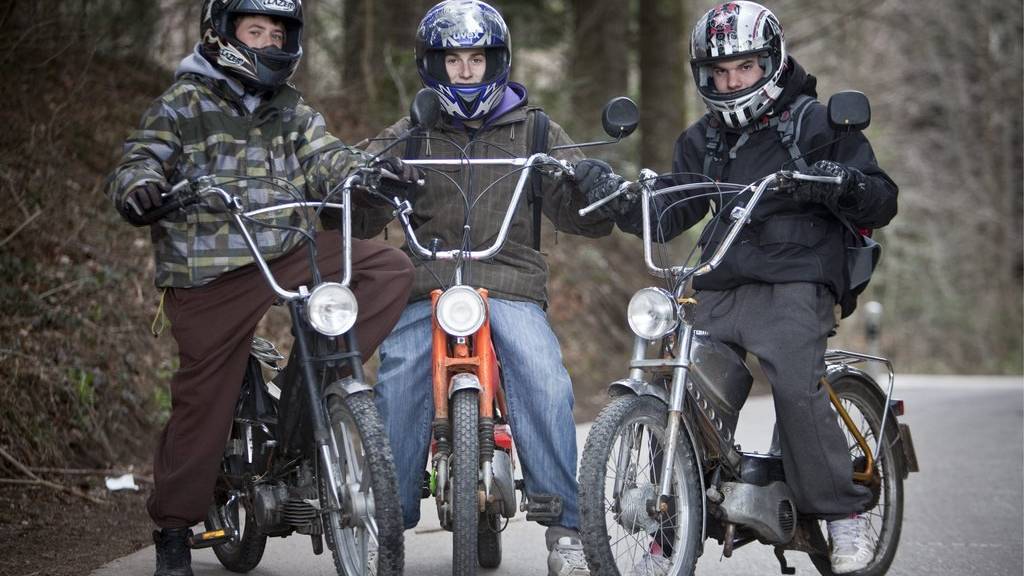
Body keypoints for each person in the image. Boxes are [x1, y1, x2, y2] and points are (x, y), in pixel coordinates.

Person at [105, 1, 417, 575]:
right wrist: (141, 187)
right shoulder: (182, 105)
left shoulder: (292, 110)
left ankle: (311, 382)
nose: (270, 42)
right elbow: (139, 159)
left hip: (289, 251)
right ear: (222, 34)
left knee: (388, 269)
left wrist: (367, 175)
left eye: (279, 32)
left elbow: (330, 160)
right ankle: (174, 526)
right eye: (256, 30)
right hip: (210, 272)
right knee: (205, 402)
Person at [588, 2, 898, 574]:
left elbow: (882, 196)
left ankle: (843, 513)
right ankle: (675, 517)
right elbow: (671, 212)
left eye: (745, 69)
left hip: (800, 276)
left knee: (791, 374)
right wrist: (619, 198)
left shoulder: (818, 123)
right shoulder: (702, 139)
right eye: (720, 73)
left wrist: (843, 180)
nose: (732, 83)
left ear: (771, 63)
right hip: (722, 277)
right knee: (688, 374)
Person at [363, 1, 621, 574]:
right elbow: (352, 204)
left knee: (544, 377)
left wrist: (595, 185)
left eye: (476, 58)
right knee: (399, 374)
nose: (464, 70)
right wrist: (370, 185)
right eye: (452, 59)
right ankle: (388, 519)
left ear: (496, 61)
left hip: (508, 279)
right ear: (431, 64)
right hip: (426, 280)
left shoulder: (534, 128)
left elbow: (584, 211)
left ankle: (568, 531)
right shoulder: (410, 131)